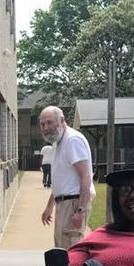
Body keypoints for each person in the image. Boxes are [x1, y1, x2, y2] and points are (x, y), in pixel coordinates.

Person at [39, 106, 95, 248]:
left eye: (49, 122)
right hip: (64, 203)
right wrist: (49, 207)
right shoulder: (59, 143)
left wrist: (80, 210)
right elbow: (61, 179)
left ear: (62, 120)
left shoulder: (72, 140)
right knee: (61, 250)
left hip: (74, 203)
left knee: (71, 251)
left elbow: (86, 176)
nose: (46, 127)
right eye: (42, 124)